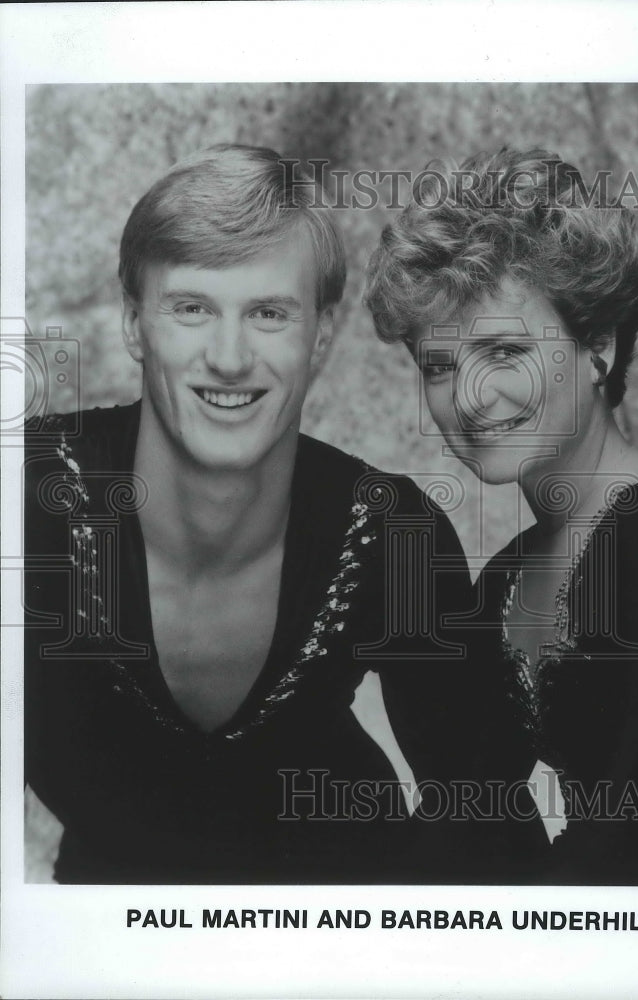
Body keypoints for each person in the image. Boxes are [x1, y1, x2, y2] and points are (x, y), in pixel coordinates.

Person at [24, 144, 548, 884]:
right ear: (135, 325)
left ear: (321, 337)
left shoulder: (390, 530)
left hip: (336, 934)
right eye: (192, 309)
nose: (230, 357)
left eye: (269, 312)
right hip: (114, 942)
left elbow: (487, 816)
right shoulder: (28, 496)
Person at [365, 147, 638, 885]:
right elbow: (472, 823)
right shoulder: (505, 576)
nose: (470, 399)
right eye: (438, 366)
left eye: (504, 351)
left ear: (597, 347)